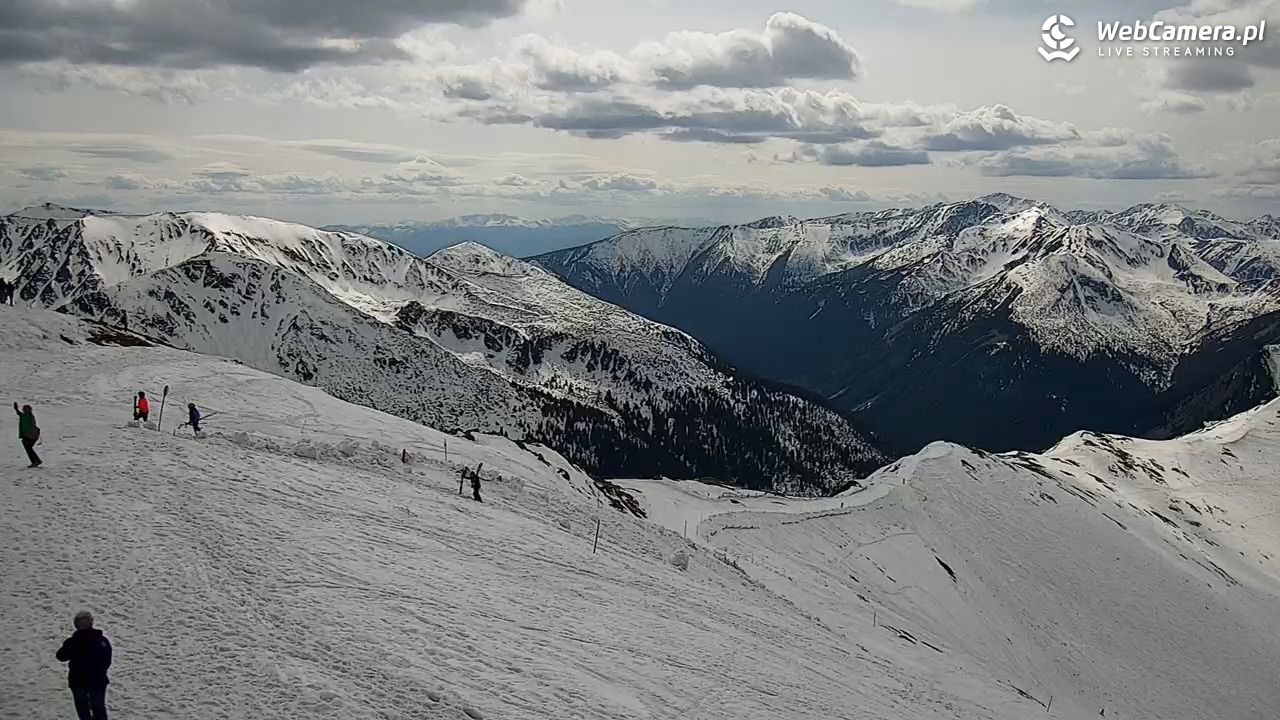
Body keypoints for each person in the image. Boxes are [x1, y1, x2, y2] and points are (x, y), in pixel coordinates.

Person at [56, 610, 112, 720]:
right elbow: (107, 660)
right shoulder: (100, 639)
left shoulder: (75, 641)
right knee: (95, 709)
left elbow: (61, 656)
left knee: (88, 709)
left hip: (83, 680)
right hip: (91, 680)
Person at [13, 402, 41, 467]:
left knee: (29, 449)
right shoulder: (24, 416)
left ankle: (36, 461)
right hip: (27, 435)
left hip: (30, 436)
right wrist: (16, 409)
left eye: (26, 409)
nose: (24, 410)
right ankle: (36, 461)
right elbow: (19, 413)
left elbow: (31, 425)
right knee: (29, 449)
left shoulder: (30, 417)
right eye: (24, 409)